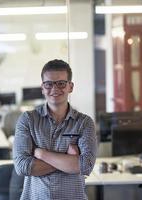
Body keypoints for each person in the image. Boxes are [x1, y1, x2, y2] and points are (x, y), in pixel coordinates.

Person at [13, 59, 97, 200]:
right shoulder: (28, 120)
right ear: (42, 87)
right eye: (49, 84)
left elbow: (85, 166)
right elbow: (22, 167)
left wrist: (41, 153)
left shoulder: (84, 123)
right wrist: (70, 160)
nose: (55, 89)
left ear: (70, 87)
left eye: (61, 83)